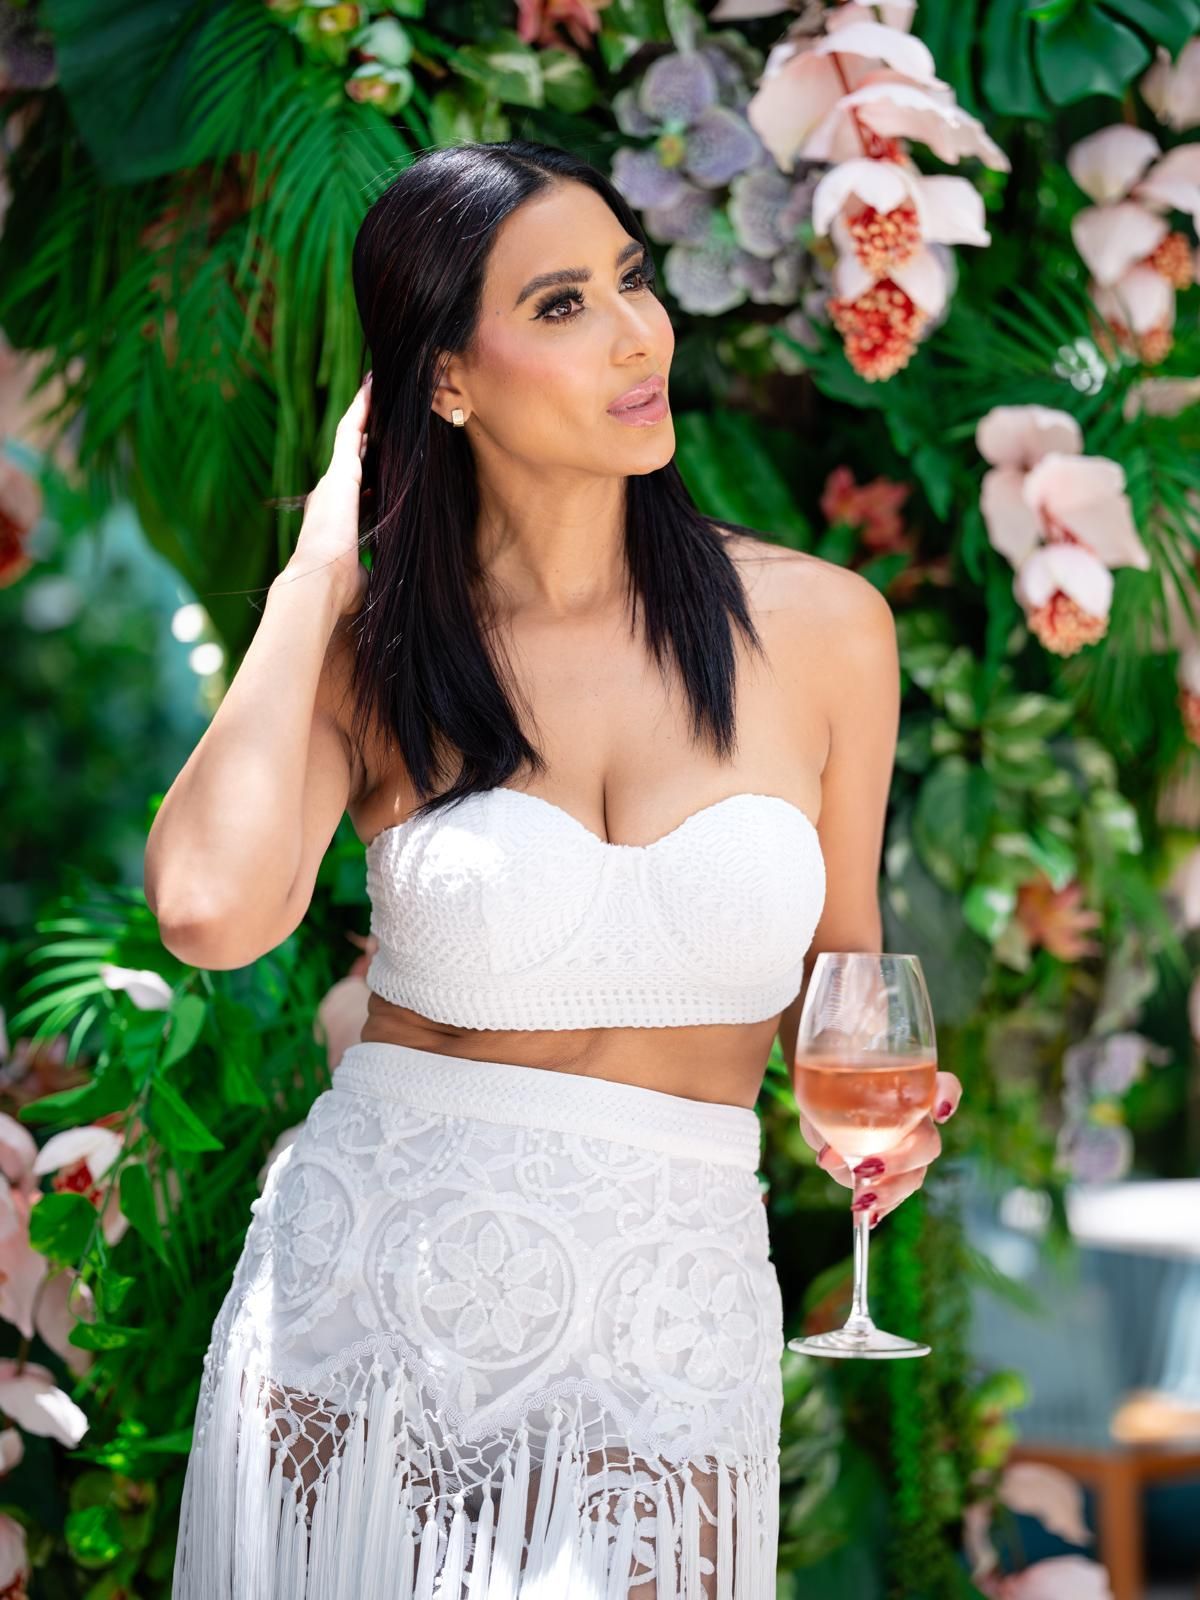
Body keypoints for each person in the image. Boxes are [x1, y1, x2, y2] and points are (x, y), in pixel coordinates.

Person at [150, 139, 962, 1600]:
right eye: (564, 304)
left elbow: (844, 979)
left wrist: (887, 1105)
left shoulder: (826, 628)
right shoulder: (375, 653)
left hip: (671, 1314)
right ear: (447, 381)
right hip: (371, 1314)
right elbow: (209, 910)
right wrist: (317, 571)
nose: (637, 330)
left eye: (632, 280)